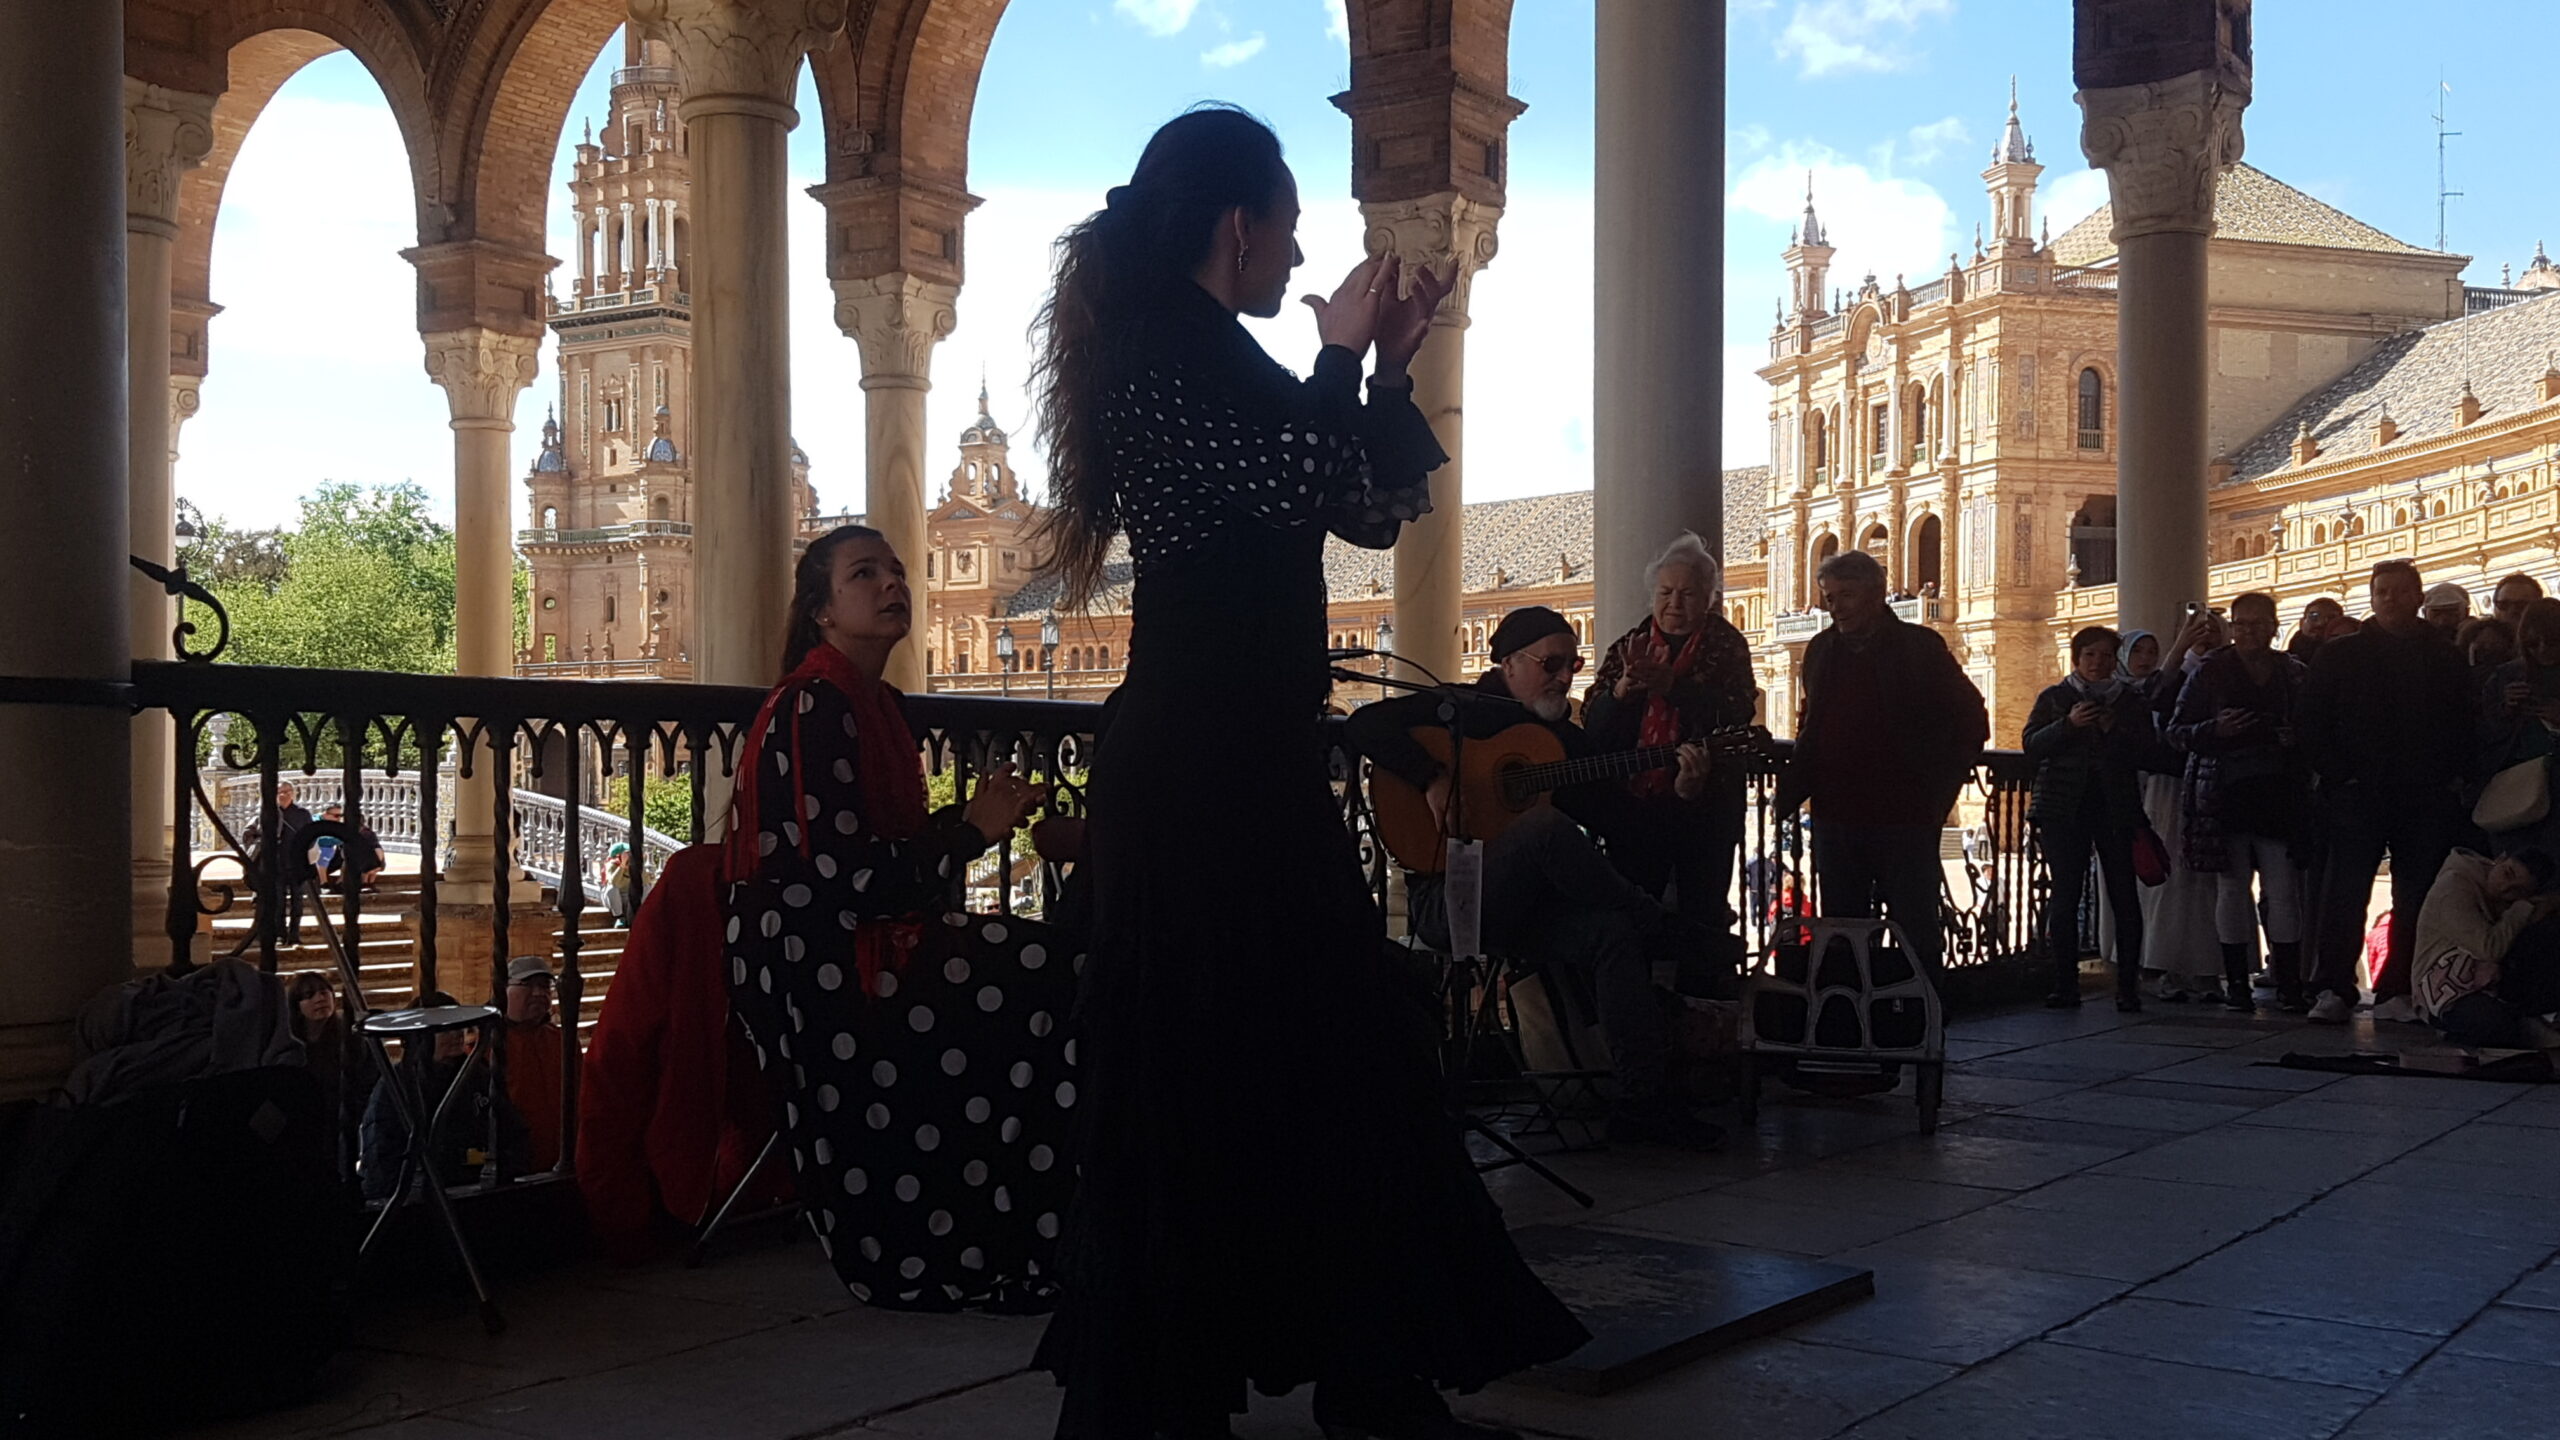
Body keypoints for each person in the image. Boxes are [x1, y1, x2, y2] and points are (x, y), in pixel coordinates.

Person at [1021, 109, 1582, 1440]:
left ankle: (1361, 1361)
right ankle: (1194, 1379)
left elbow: (1364, 509)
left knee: (1312, 1048)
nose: (1299, 252)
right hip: (1197, 760)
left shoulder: (1226, 357)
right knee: (1216, 1052)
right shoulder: (1160, 356)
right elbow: (1284, 485)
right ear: (1238, 225)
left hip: (1249, 753)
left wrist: (1386, 367)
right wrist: (1334, 357)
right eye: (1286, 226)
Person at [721, 523, 1073, 1312]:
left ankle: (1018, 1235)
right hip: (823, 965)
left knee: (1060, 967)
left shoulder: (872, 703)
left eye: (898, 572)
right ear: (821, 609)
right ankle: (973, 1241)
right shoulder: (815, 706)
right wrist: (974, 830)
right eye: (864, 574)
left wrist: (977, 825)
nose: (893, 585)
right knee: (1053, 975)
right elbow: (848, 881)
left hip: (865, 946)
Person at [1345, 604, 1724, 1148]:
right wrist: (1429, 776)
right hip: (1449, 898)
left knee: (1611, 934)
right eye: (1551, 664)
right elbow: (1364, 724)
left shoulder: (1561, 745)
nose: (1565, 677)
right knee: (1544, 827)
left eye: (1573, 665)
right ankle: (1658, 924)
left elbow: (1629, 827)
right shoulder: (1459, 708)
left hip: (1529, 912)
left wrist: (1687, 795)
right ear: (1508, 663)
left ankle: (1643, 1102)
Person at [1776, 547, 1988, 982]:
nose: (1835, 607)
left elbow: (1971, 720)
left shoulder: (1920, 648)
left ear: (1875, 594)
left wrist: (1936, 791)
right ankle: (1852, 1025)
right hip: (1837, 818)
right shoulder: (1820, 651)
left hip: (1903, 816)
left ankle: (1923, 1023)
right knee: (1844, 929)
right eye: (1829, 597)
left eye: (1846, 595)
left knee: (1915, 928)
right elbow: (1811, 725)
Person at [2300, 560, 2476, 1024]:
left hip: (2425, 794)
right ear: (2371, 597)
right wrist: (2340, 775)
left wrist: (2451, 775)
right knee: (2345, 892)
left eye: (2399, 591)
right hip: (2358, 794)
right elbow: (2311, 724)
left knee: (2415, 894)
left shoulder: (2446, 656)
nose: (2390, 599)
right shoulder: (2340, 655)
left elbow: (2464, 722)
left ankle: (2397, 985)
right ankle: (2334, 985)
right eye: (2382, 591)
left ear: (2418, 597)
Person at [1584, 532, 1757, 928]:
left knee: (1701, 914)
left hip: (1707, 808)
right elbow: (1594, 726)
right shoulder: (1631, 644)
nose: (1674, 603)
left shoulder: (1727, 646)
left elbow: (1737, 712)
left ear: (1709, 597)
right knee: (1633, 914)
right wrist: (1623, 690)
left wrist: (1673, 688)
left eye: (1687, 594)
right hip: (1637, 808)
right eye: (1665, 592)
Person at [2167, 593, 2312, 1013]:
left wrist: (2293, 737)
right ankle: (2237, 983)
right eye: (2241, 624)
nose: (2249, 631)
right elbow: (2177, 731)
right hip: (2223, 793)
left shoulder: (2294, 673)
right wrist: (2218, 729)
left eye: (2257, 623)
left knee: (2283, 890)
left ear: (2273, 626)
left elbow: (2314, 729)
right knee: (2231, 890)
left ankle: (2287, 981)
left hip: (2278, 792)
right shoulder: (2209, 673)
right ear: (2232, 627)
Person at [2024, 628, 2152, 1009]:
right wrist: (2069, 725)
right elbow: (2031, 743)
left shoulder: (2129, 701)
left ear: (2116, 661)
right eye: (2090, 656)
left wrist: (2115, 730)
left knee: (2124, 895)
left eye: (2106, 657)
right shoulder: (2055, 698)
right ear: (2077, 658)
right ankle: (2065, 984)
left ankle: (2128, 987)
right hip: (2063, 809)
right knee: (2065, 895)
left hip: (2115, 807)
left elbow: (2149, 750)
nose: (2098, 664)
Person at [359, 990, 527, 1201]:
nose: (457, 1034)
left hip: (477, 1193)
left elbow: (512, 1130)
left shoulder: (478, 1074)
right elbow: (382, 1157)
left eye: (458, 1026)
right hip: (419, 1200)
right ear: (420, 1035)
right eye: (445, 1030)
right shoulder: (396, 1085)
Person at [2411, 848, 2560, 1048]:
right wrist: (2523, 907)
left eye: (2518, 890)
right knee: (2493, 1026)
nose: (2505, 888)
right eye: (2507, 874)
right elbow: (2488, 948)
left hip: (2493, 982)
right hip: (2444, 986)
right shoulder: (2454, 886)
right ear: (2499, 860)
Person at [288, 970, 373, 1194]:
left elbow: (367, 1079)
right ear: (297, 1004)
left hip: (341, 1120)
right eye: (310, 994)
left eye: (325, 992)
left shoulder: (348, 1040)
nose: (320, 998)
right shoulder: (290, 1046)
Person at [499, 956, 567, 1174]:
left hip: (563, 1161)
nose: (539, 993)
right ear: (503, 989)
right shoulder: (486, 1046)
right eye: (528, 985)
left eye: (545, 986)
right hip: (514, 1166)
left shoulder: (562, 1040)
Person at [243, 781, 317, 946]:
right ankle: (280, 934)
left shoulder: (303, 814)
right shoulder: (267, 813)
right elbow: (248, 834)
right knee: (279, 903)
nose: (284, 795)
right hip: (275, 864)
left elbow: (311, 836)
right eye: (280, 792)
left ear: (293, 793)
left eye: (287, 791)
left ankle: (295, 935)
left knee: (298, 902)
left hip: (297, 865)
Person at [318, 802, 385, 892]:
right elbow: (321, 840)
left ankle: (364, 882)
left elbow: (375, 847)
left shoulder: (366, 833)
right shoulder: (316, 822)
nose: (339, 819)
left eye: (340, 816)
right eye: (337, 816)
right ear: (325, 814)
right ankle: (335, 883)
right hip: (325, 858)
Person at [2287, 596, 2354, 663]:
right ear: (2301, 623)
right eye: (2314, 617)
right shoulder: (2284, 663)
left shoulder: (2351, 658)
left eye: (2331, 618)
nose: (2321, 623)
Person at [599, 842, 635, 927]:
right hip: (613, 899)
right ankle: (619, 917)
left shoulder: (633, 865)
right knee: (612, 888)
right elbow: (614, 882)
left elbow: (646, 881)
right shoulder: (611, 865)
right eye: (626, 854)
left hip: (628, 897)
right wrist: (622, 866)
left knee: (647, 886)